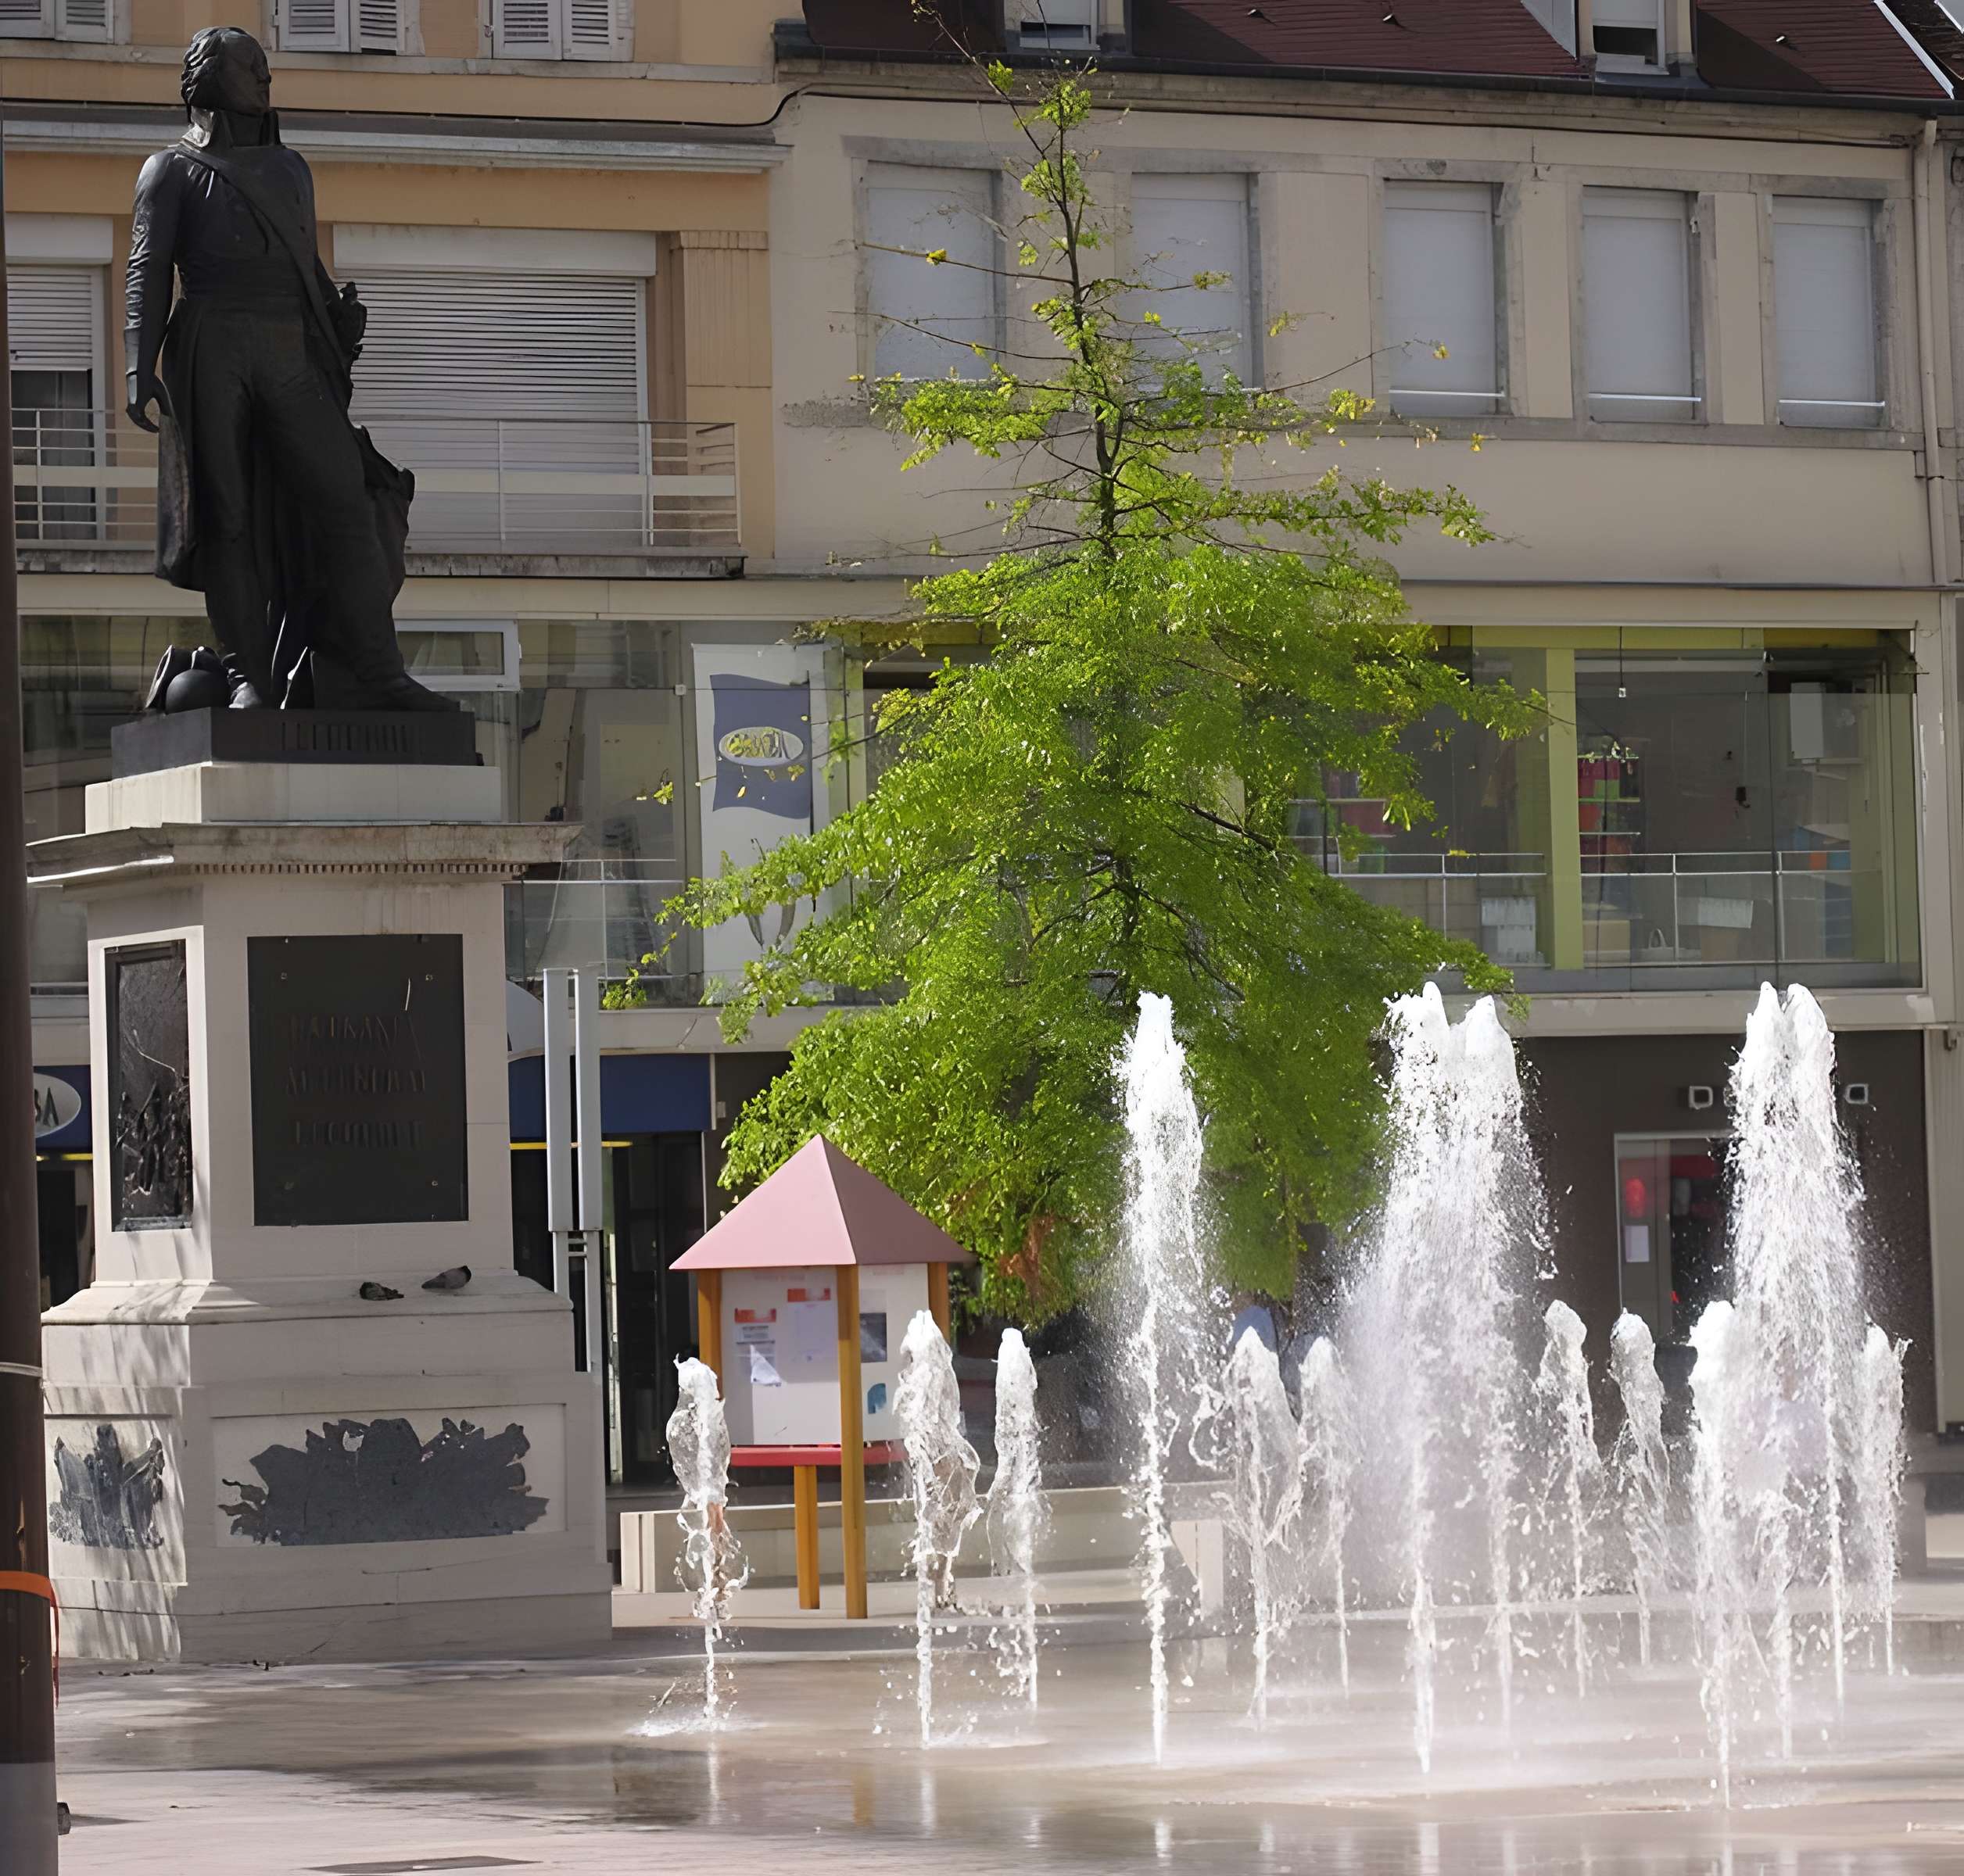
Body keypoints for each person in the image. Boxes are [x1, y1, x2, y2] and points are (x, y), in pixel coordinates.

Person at [124, 27, 453, 712]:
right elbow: (148, 269)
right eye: (252, 66)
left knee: (345, 501)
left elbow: (304, 260)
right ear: (210, 78)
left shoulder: (290, 169)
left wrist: (337, 318)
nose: (266, 78)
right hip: (211, 340)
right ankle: (249, 678)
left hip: (288, 346)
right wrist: (137, 361)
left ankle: (378, 670)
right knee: (230, 521)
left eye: (265, 66)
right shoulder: (169, 170)